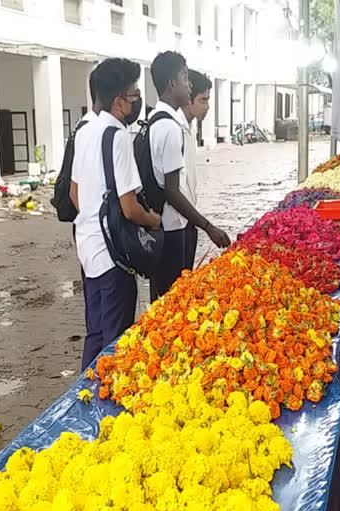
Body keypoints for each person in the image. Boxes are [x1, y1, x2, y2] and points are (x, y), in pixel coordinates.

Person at [70, 58, 160, 369]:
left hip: (89, 248)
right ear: (119, 101)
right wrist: (154, 221)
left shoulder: (84, 131)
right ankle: (104, 407)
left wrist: (96, 219)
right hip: (113, 257)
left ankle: (82, 401)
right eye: (134, 95)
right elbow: (130, 207)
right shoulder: (118, 136)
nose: (137, 103)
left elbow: (74, 194)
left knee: (95, 333)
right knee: (116, 340)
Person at [148, 52, 230, 302]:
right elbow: (171, 191)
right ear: (172, 83)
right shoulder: (170, 128)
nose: (188, 84)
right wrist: (208, 226)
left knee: (167, 298)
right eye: (185, 78)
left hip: (176, 223)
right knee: (172, 301)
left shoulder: (156, 121)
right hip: (173, 226)